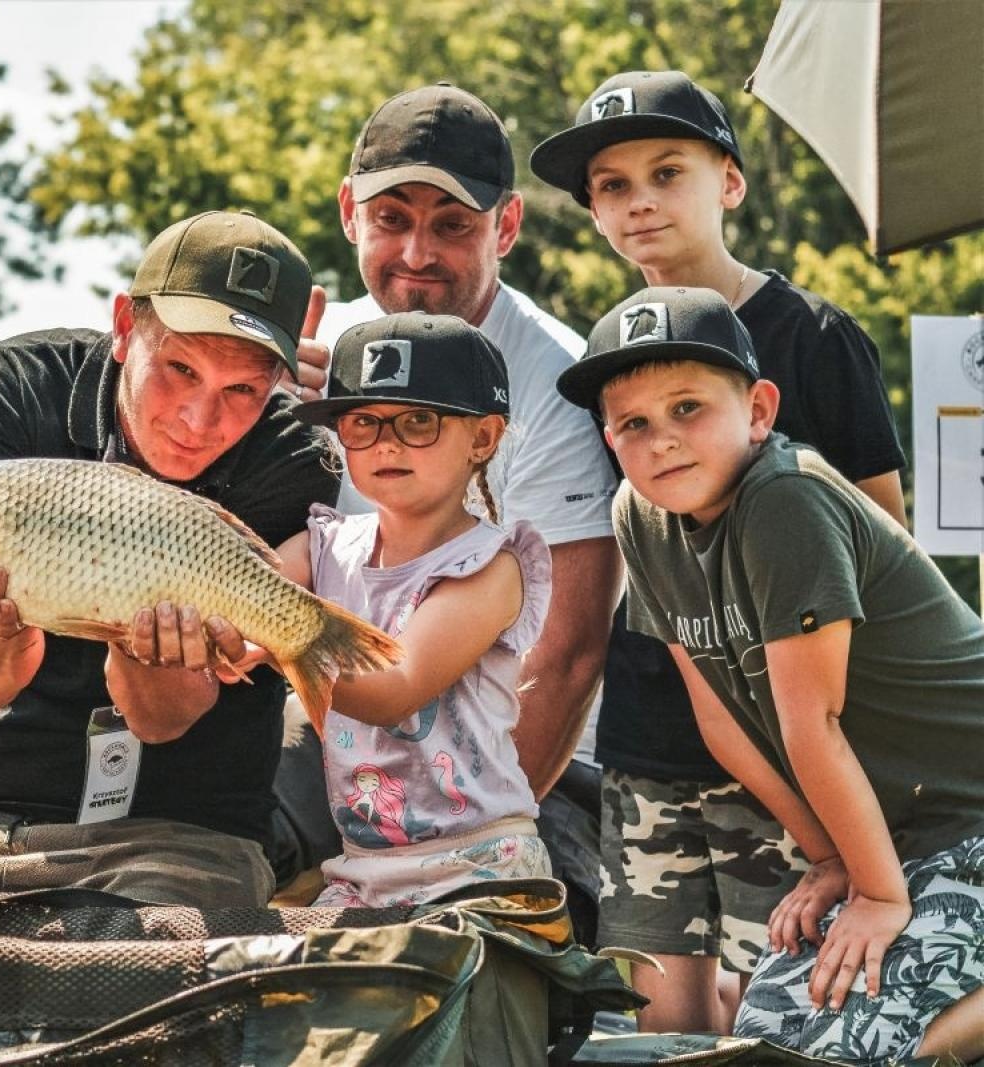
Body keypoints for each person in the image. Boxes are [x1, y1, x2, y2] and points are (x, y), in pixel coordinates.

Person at [530, 70, 909, 1032]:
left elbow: (885, 552)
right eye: (611, 185)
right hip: (648, 739)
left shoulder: (816, 338)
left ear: (730, 182)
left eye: (667, 170)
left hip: (791, 753)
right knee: (653, 1024)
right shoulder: (602, 366)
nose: (640, 199)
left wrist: (836, 799)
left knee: (787, 1014)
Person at [0, 211, 339, 908]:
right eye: (180, 368)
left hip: (182, 827)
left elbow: (161, 719)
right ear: (126, 327)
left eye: (241, 391)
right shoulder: (11, 388)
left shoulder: (294, 458)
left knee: (161, 989)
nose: (197, 418)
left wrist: (154, 650)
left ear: (279, 381)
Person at [557, 285, 984, 1064]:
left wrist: (880, 896)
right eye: (634, 424)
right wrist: (831, 862)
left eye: (688, 408)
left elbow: (810, 724)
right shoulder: (638, 515)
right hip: (898, 834)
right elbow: (722, 720)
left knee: (860, 1048)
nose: (662, 442)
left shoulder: (785, 498)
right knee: (770, 1037)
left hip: (972, 814)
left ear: (758, 410)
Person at [275, 83, 620, 945]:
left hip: (512, 782)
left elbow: (568, 658)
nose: (416, 252)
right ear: (350, 214)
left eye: (453, 224)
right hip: (337, 739)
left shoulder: (560, 384)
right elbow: (249, 565)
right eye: (392, 218)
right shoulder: (316, 364)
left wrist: (428, 850)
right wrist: (259, 426)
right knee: (223, 840)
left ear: (506, 228)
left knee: (493, 956)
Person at [269, 312, 552, 907]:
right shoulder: (323, 546)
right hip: (362, 866)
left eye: (418, 421)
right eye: (362, 423)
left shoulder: (491, 565)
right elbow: (235, 592)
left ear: (483, 437)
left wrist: (257, 626)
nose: (386, 442)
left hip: (481, 867)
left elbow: (395, 687)